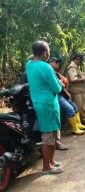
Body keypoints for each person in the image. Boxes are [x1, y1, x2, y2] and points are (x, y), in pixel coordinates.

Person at [26, 40, 63, 175]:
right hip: (48, 104)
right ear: (44, 52)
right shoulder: (46, 67)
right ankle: (46, 167)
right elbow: (57, 88)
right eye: (48, 50)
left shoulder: (29, 64)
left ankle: (51, 162)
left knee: (52, 133)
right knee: (48, 136)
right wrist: (59, 83)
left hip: (38, 102)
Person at [48, 57, 85, 137]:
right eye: (56, 62)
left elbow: (65, 80)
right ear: (50, 62)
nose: (57, 63)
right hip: (57, 94)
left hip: (63, 93)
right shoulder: (49, 71)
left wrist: (61, 82)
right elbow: (60, 84)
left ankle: (78, 125)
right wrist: (60, 82)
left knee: (75, 107)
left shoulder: (56, 72)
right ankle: (74, 128)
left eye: (58, 62)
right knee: (70, 109)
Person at [66, 53, 85, 124]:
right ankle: (77, 123)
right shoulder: (72, 68)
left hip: (80, 90)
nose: (81, 62)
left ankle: (83, 120)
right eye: (80, 60)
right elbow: (73, 80)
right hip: (75, 91)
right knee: (78, 107)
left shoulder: (76, 67)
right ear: (77, 59)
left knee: (82, 106)